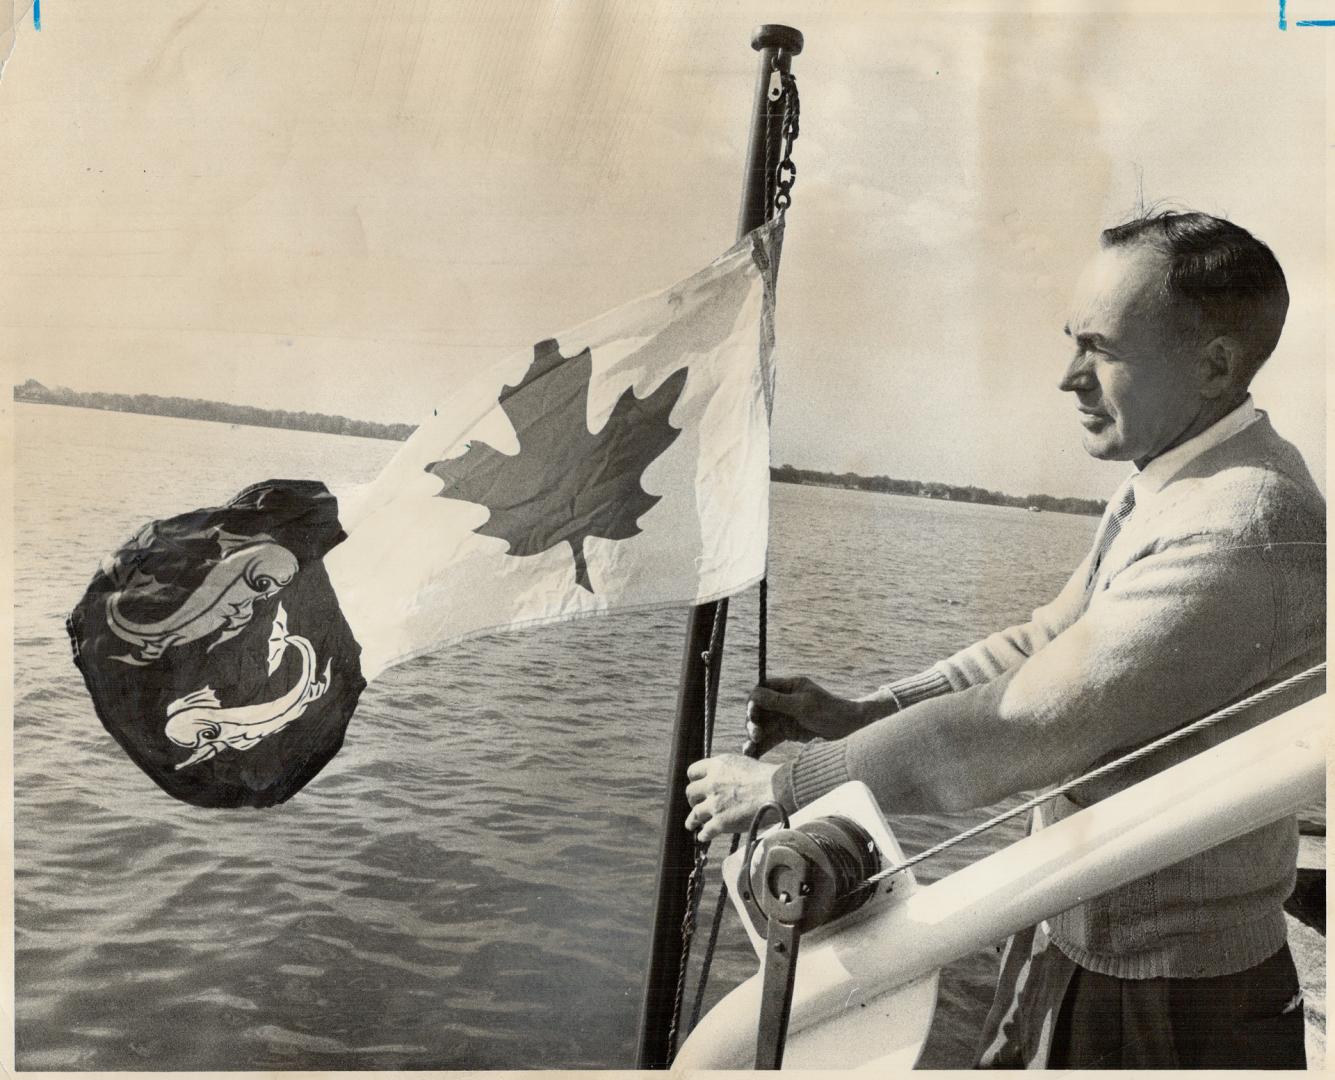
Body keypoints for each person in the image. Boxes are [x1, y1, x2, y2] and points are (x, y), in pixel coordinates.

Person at [683, 210, 1325, 1069]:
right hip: (1085, 932)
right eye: (1071, 341)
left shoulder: (1245, 519)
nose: (1068, 377)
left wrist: (786, 784)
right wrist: (867, 710)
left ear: (1213, 365)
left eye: (1100, 349)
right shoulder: (1177, 485)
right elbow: (1046, 641)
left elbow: (1023, 723)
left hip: (1167, 993)